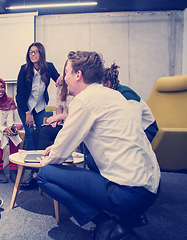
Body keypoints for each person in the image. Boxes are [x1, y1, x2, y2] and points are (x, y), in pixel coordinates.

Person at [37, 51, 160, 240]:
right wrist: (56, 149)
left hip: (130, 192)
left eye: (67, 72)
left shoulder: (84, 100)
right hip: (152, 187)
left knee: (45, 175)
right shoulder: (113, 95)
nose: (64, 79)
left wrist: (46, 160)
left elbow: (61, 152)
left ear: (78, 74)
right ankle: (126, 218)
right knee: (91, 161)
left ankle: (106, 224)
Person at [22, 82, 73, 190]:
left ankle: (42, 171)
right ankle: (38, 171)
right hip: (62, 124)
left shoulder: (78, 90)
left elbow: (77, 115)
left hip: (72, 125)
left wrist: (60, 117)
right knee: (36, 132)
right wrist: (56, 120)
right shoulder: (61, 88)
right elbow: (59, 109)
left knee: (44, 131)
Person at [16, 42, 62, 151]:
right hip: (25, 105)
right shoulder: (24, 69)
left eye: (35, 51)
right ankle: (31, 160)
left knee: (40, 132)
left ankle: (40, 157)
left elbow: (58, 79)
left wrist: (63, 78)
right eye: (30, 52)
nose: (32, 54)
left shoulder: (49, 67)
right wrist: (27, 113)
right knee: (29, 131)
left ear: (41, 53)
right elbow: (20, 94)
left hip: (40, 105)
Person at [102, 63, 158, 142]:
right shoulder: (112, 95)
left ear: (107, 84)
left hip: (147, 133)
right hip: (132, 134)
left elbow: (134, 125)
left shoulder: (127, 95)